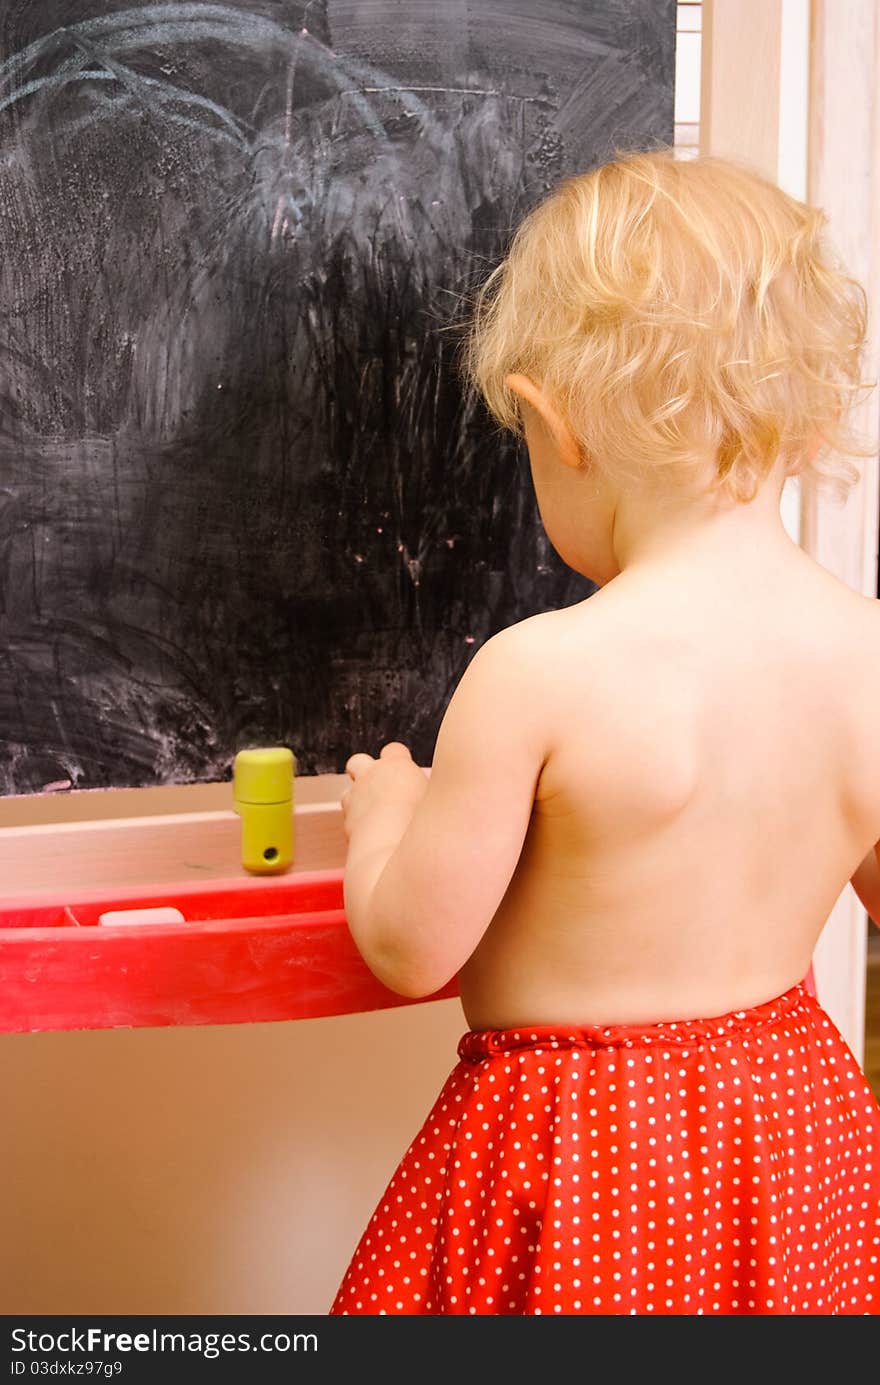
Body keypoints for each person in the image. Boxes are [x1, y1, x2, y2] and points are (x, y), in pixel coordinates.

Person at [328, 146, 880, 1316]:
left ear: (555, 425)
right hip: (788, 1129)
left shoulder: (539, 672)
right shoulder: (865, 656)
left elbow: (413, 948)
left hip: (580, 1153)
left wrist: (382, 823)